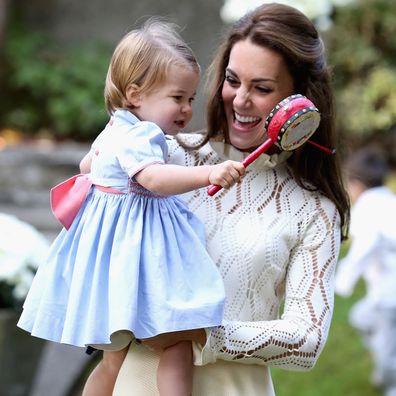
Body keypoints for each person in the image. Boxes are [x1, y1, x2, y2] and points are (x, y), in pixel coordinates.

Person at [113, 3, 350, 395]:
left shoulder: (312, 209)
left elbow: (306, 339)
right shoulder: (164, 157)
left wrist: (204, 334)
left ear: (299, 100)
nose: (239, 100)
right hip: (138, 379)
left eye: (261, 88)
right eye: (232, 80)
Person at [17, 19, 245, 396]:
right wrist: (209, 175)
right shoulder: (143, 135)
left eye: (190, 99)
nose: (187, 109)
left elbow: (87, 166)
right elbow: (153, 179)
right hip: (137, 257)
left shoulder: (115, 128)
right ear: (136, 94)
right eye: (177, 98)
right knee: (176, 344)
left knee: (112, 360)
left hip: (110, 263)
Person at [335, 147, 396, 396]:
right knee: (362, 318)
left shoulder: (368, 208)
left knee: (384, 344)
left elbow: (364, 248)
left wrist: (341, 282)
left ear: (357, 184)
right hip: (386, 290)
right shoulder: (389, 200)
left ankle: (390, 382)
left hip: (389, 293)